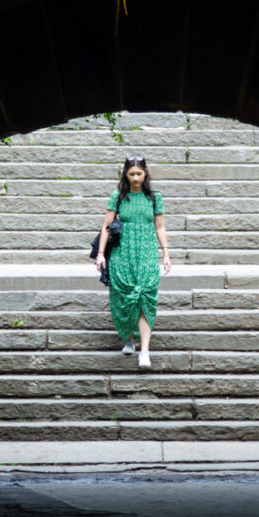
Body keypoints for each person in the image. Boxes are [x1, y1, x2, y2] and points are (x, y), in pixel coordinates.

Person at [94, 156, 172, 369]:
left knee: (146, 298)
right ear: (125, 175)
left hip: (146, 254)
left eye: (139, 174)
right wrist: (101, 254)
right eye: (132, 174)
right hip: (122, 254)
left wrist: (166, 253)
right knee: (123, 299)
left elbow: (160, 227)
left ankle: (144, 351)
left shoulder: (154, 198)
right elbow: (106, 226)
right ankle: (128, 338)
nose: (136, 178)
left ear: (146, 173)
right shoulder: (118, 196)